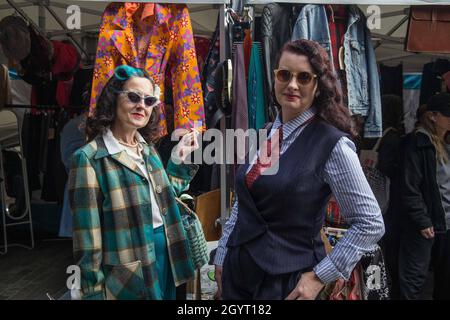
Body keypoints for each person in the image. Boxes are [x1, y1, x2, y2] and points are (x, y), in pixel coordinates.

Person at [214, 39, 385, 300]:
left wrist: (320, 276)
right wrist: (223, 255)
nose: (292, 85)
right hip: (240, 275)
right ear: (274, 78)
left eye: (304, 77)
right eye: (285, 75)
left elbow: (370, 223)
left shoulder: (333, 144)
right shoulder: (265, 134)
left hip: (287, 283)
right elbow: (244, 202)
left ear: (317, 86)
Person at [68, 65, 200, 300]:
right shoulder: (89, 159)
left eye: (149, 100)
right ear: (113, 99)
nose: (142, 105)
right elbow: (87, 243)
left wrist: (178, 160)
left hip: (168, 255)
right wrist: (92, 294)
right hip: (129, 273)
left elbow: (163, 199)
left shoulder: (147, 150)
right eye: (133, 97)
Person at [399, 93, 450, 300]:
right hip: (426, 225)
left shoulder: (443, 141)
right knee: (414, 279)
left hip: (444, 223)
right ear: (432, 116)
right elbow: (409, 186)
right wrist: (421, 219)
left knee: (445, 280)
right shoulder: (417, 142)